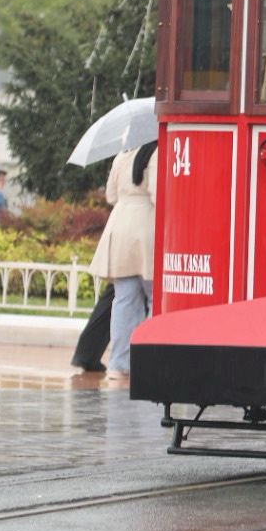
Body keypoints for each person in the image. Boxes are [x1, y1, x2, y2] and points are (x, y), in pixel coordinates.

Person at [89, 142, 157, 379]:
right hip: (147, 226)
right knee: (156, 299)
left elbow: (110, 195)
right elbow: (157, 194)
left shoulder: (122, 155)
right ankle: (148, 359)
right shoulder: (156, 153)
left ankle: (119, 363)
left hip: (119, 227)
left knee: (124, 301)